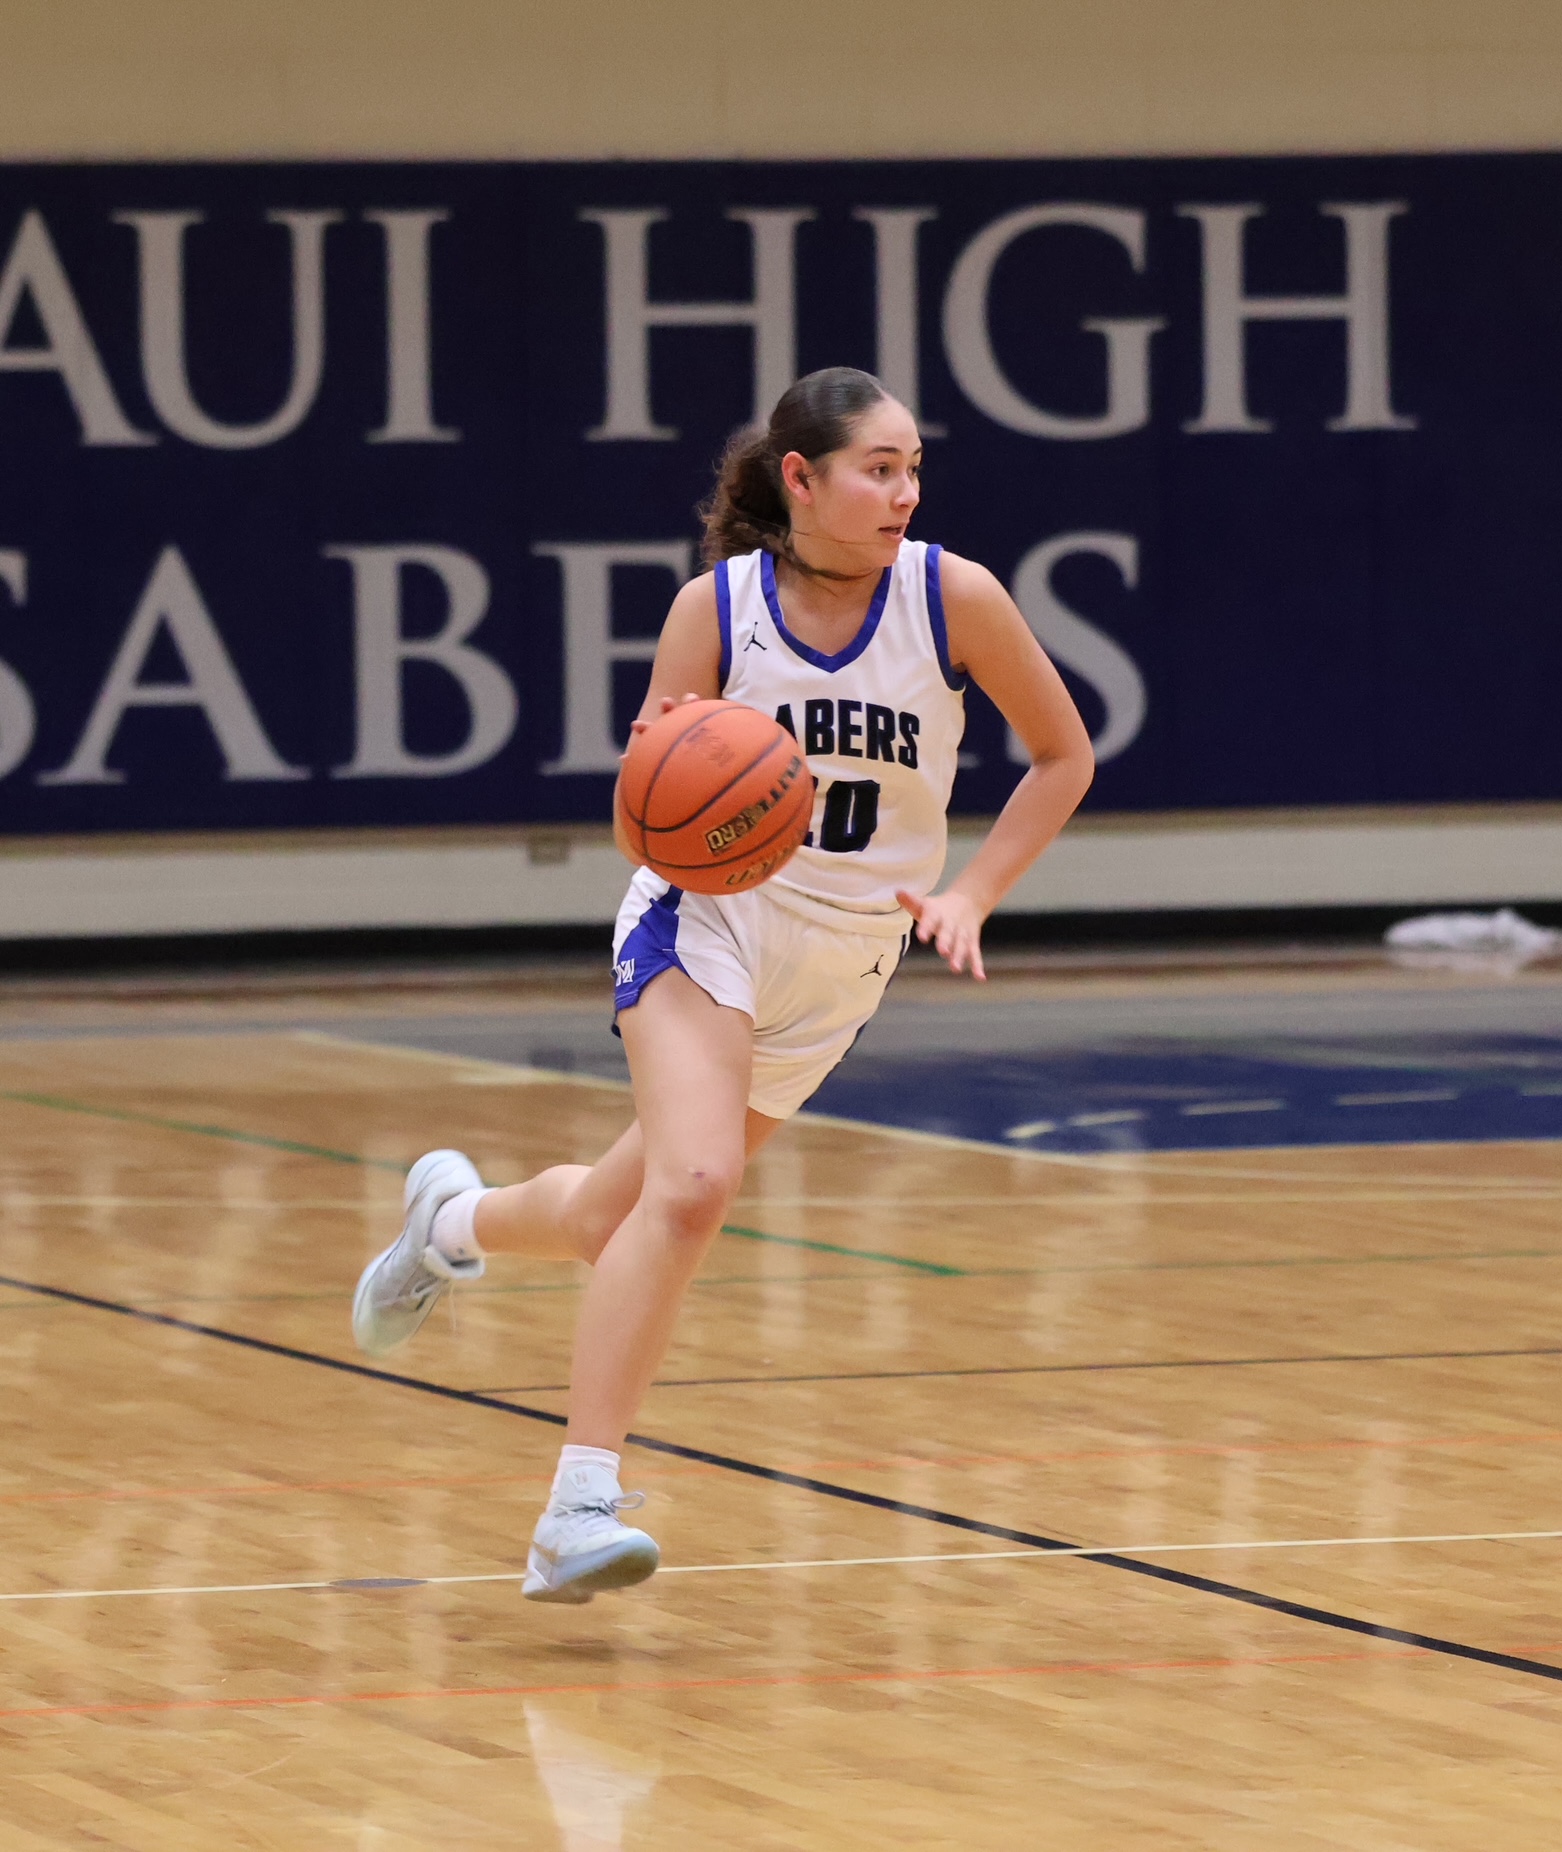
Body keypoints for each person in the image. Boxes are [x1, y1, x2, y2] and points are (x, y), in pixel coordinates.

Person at [351, 367, 1095, 1603]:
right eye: (878, 469)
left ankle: (448, 1224)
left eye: (913, 468)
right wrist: (686, 791)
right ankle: (576, 1506)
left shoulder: (953, 596)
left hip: (844, 961)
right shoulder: (718, 610)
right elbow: (636, 818)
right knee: (695, 1187)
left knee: (608, 1220)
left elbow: (1062, 755)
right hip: (708, 922)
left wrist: (971, 894)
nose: (904, 493)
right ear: (799, 477)